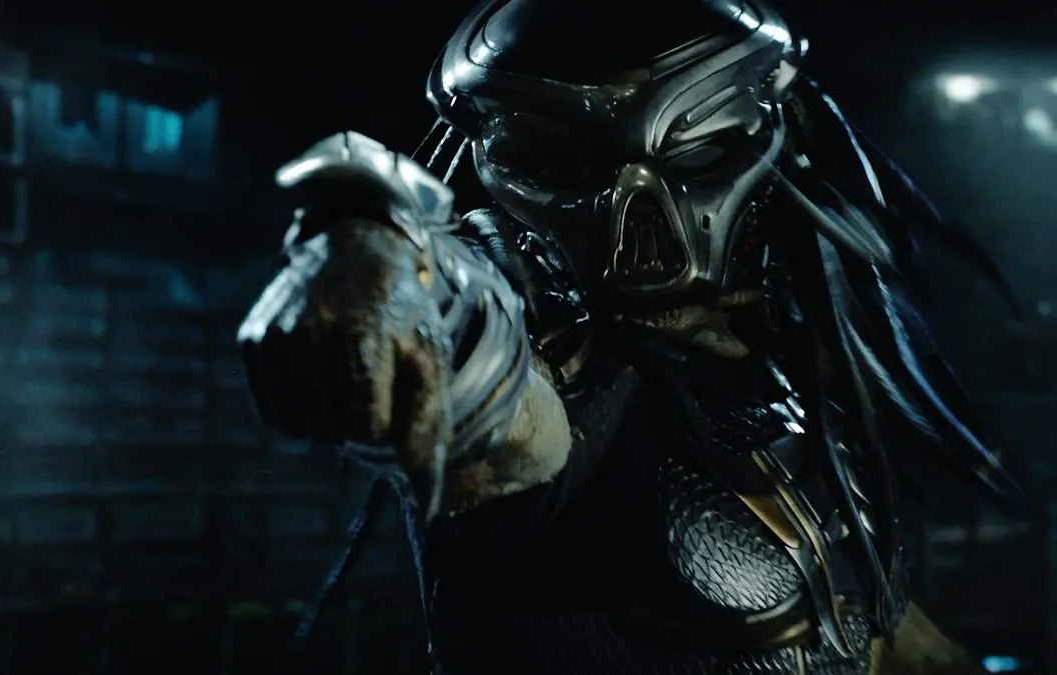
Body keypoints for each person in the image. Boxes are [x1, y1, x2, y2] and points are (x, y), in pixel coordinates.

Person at [238, 1, 1026, 672]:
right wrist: (377, 259)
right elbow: (483, 386)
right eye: (568, 165)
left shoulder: (785, 375)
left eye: (696, 151)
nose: (639, 240)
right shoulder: (555, 374)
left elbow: (863, 629)